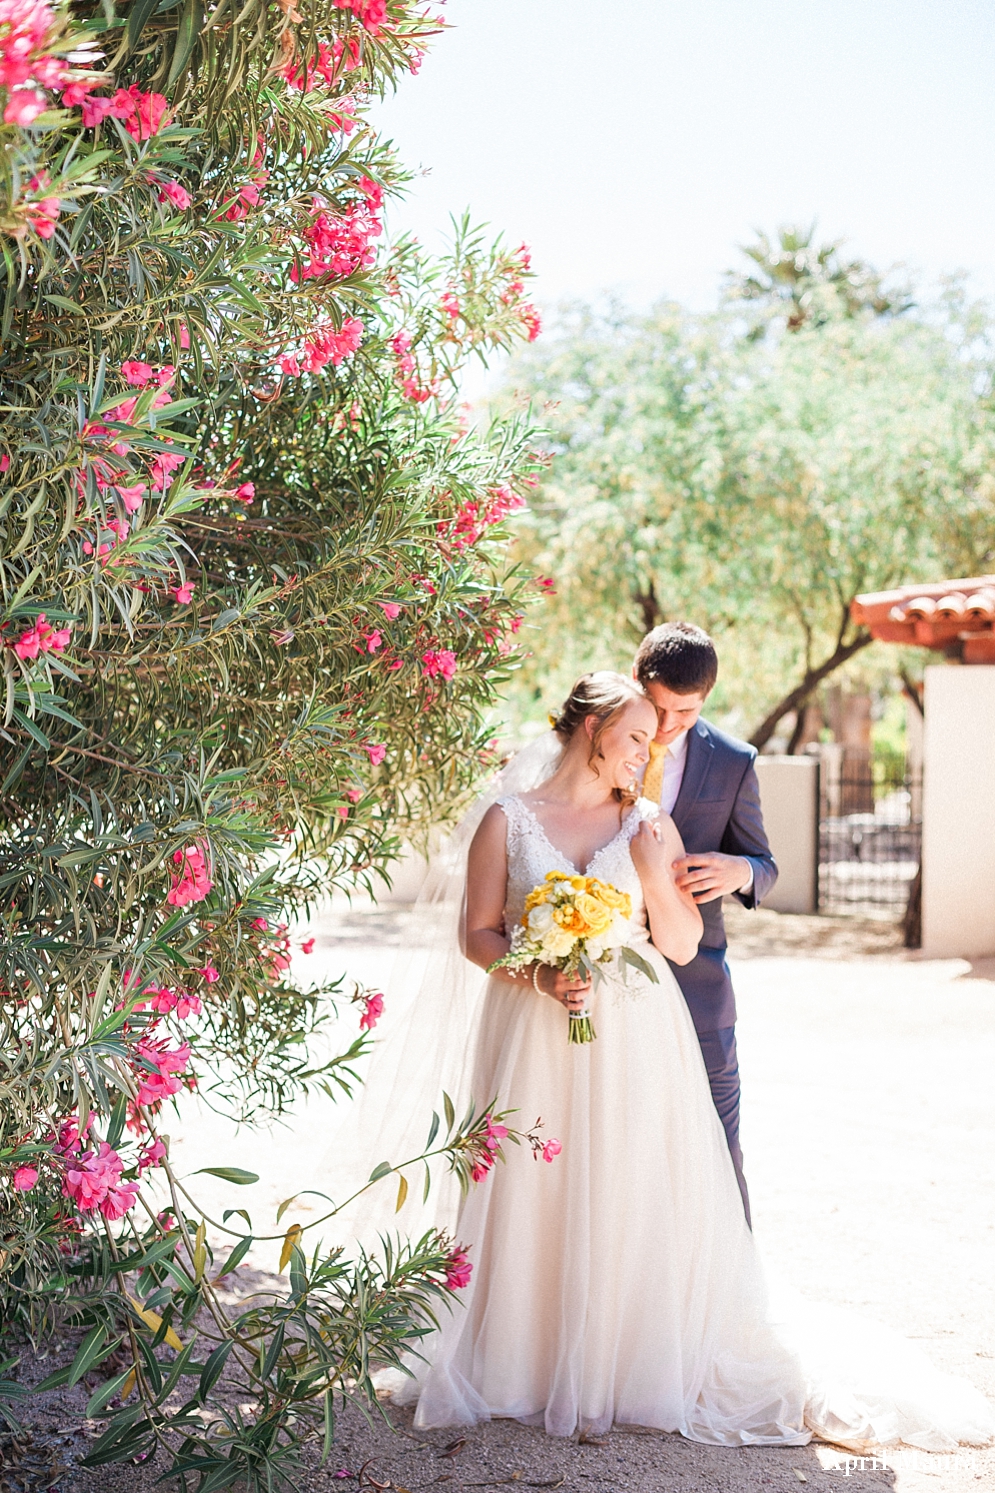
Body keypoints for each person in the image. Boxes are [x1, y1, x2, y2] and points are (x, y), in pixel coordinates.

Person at [370, 672, 994, 1449]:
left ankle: (628, 1358)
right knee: (536, 1178)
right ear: (591, 728)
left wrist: (655, 856)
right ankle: (521, 1357)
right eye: (634, 734)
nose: (648, 749)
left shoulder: (646, 823)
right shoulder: (508, 819)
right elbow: (478, 932)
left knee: (628, 1178)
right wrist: (537, 972)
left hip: (634, 1029)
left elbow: (679, 942)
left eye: (650, 737)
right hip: (530, 1028)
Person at [633, 621, 774, 1225]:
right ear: (639, 683)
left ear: (706, 699)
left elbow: (765, 864)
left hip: (700, 987)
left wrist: (734, 869)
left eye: (684, 713)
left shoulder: (734, 762)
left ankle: (734, 1289)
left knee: (719, 1141)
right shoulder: (600, 741)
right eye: (658, 708)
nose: (665, 728)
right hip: (608, 981)